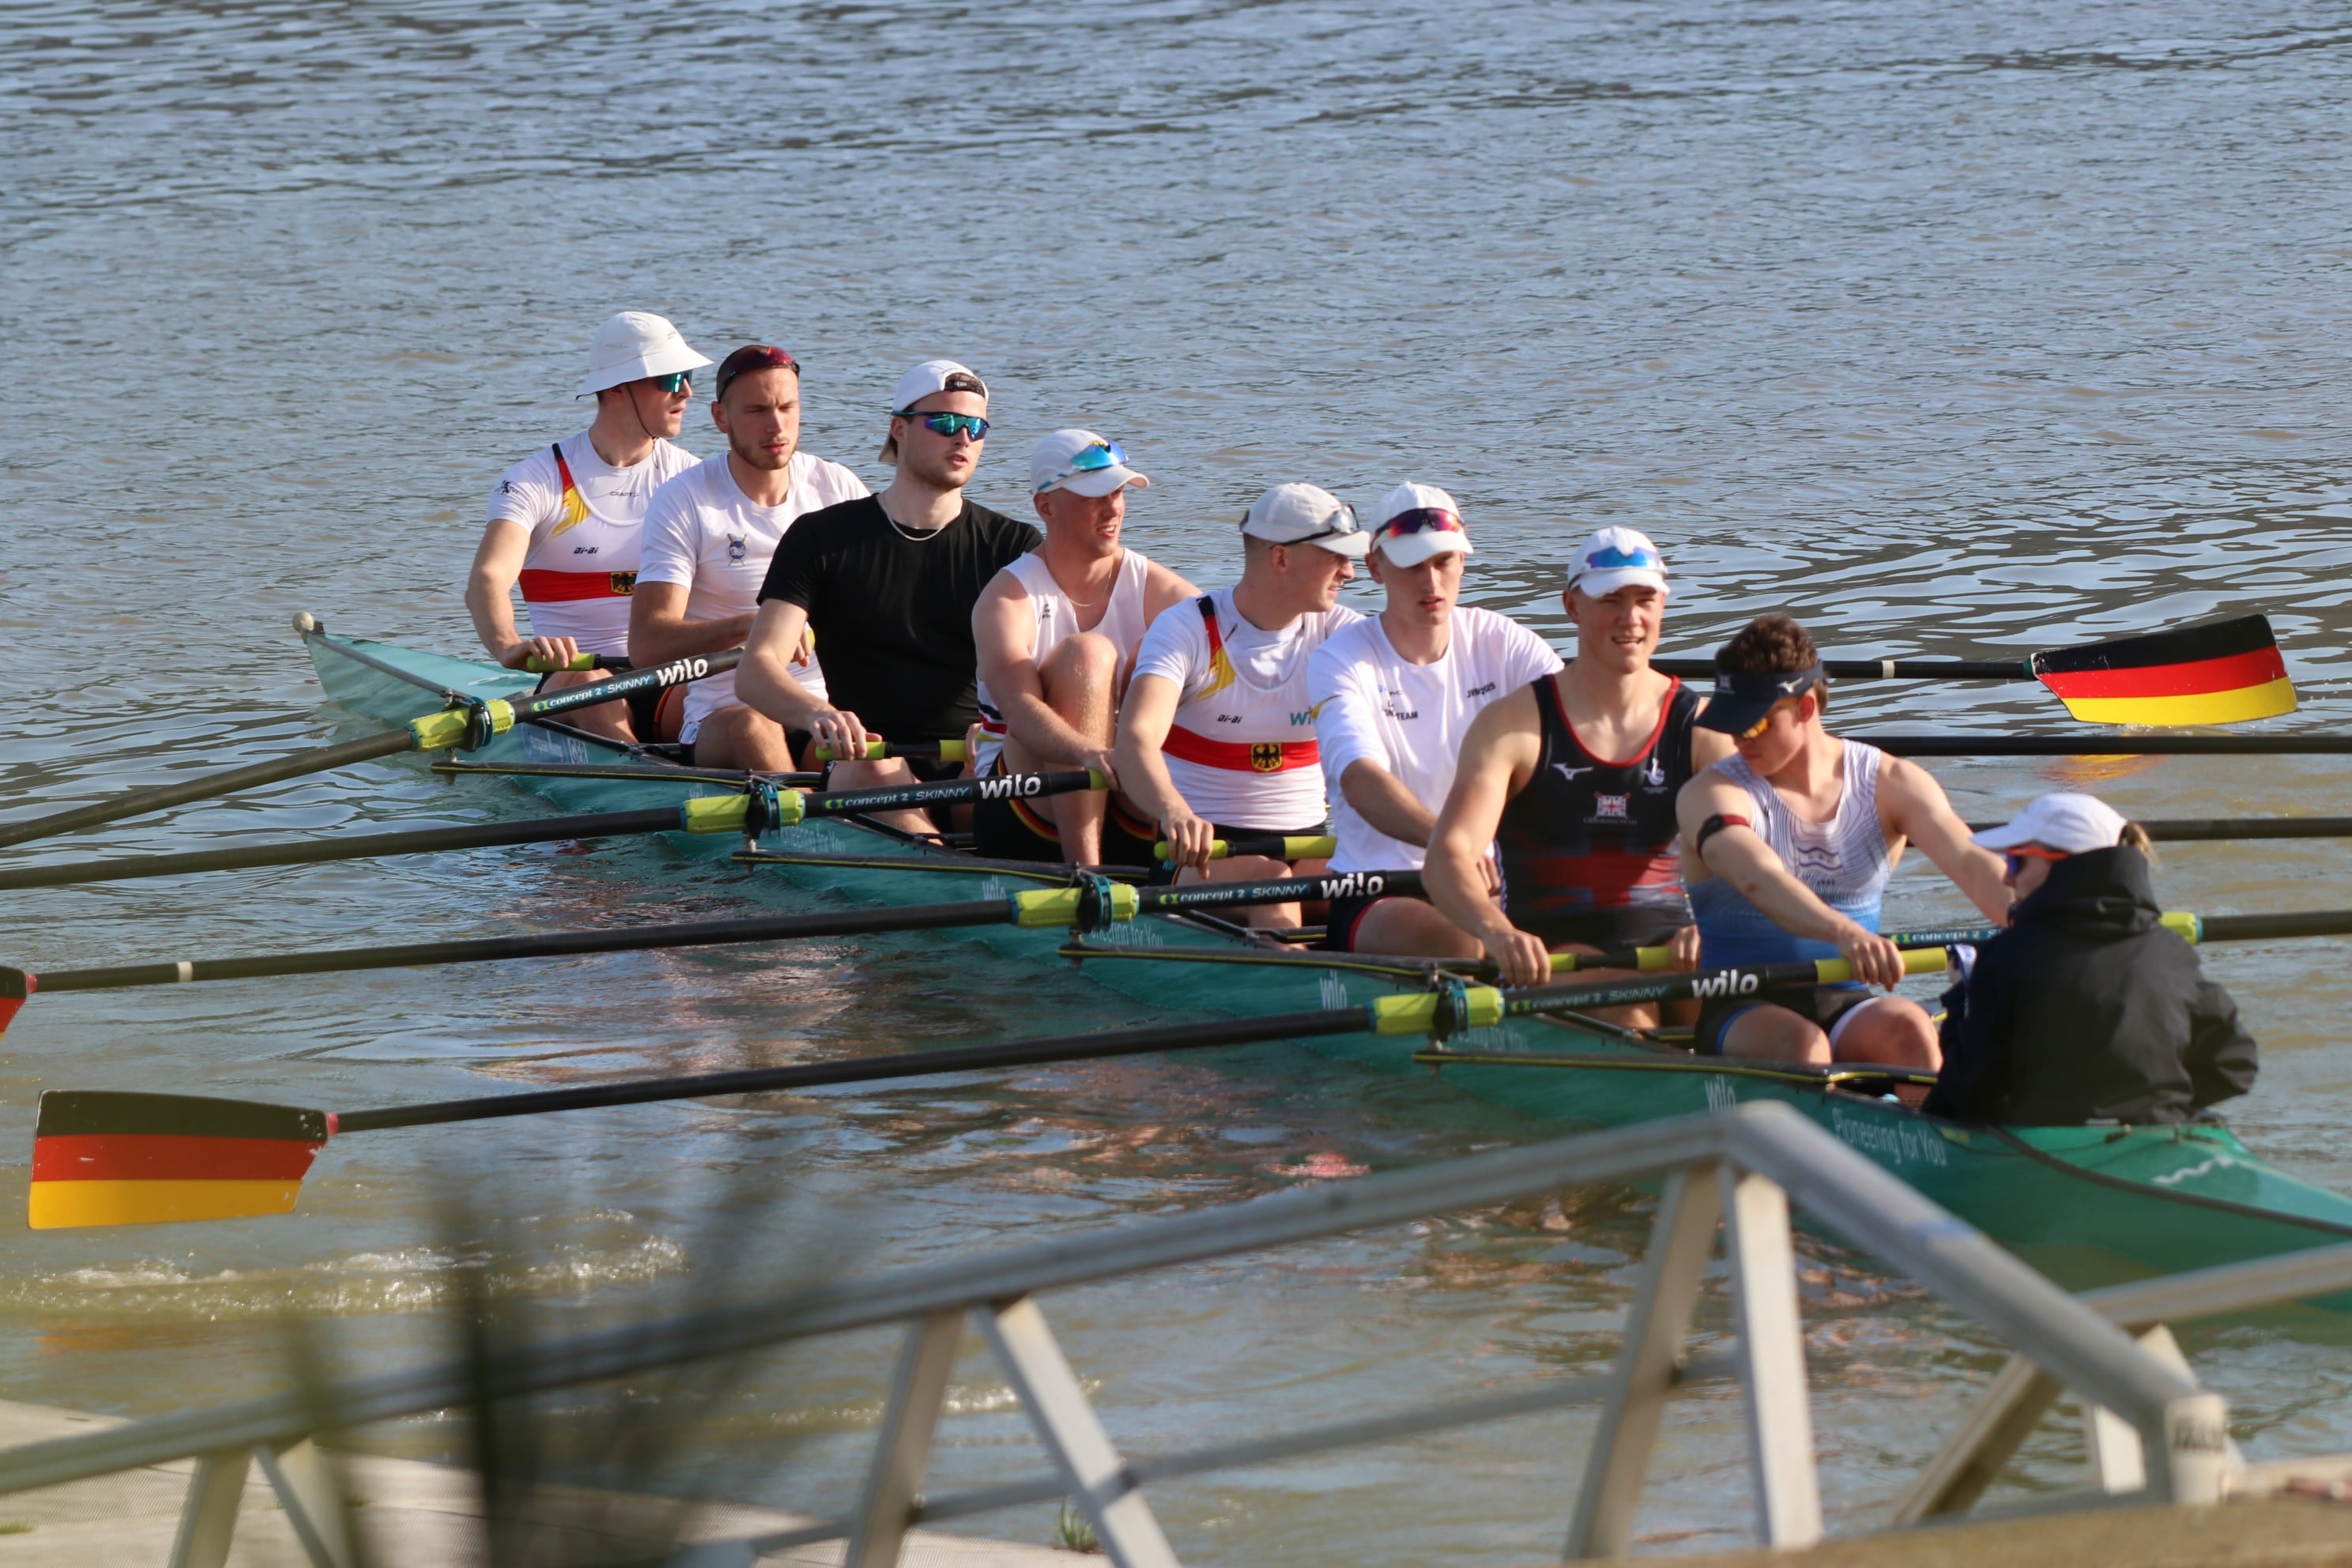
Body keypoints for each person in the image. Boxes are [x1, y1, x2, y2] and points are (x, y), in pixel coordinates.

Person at [1675, 614, 2013, 1067]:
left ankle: (1928, 1131)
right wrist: (1845, 933)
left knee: (1911, 1029)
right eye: (1731, 725)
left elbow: (1972, 862)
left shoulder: (1891, 782)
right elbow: (1760, 878)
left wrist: (2042, 920)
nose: (1739, 740)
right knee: (1802, 1046)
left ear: (1806, 709)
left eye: (1754, 725)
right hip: (1741, 1002)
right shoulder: (1710, 793)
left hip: (1844, 997)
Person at [1423, 529, 1732, 1021]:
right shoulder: (1513, 725)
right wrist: (1496, 933)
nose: (1630, 618)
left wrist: (1722, 920)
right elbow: (1447, 860)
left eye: (1644, 599)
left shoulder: (1700, 728)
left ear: (1663, 605)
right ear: (1572, 606)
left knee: (1747, 1014)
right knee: (1632, 1015)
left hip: (1671, 944)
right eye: (1611, 599)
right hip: (1551, 955)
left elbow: (1757, 854)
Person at [736, 360, 1039, 836]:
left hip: (976, 761)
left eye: (976, 428)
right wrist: (819, 714)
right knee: (876, 771)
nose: (963, 439)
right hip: (868, 757)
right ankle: (939, 865)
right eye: (945, 423)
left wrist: (1010, 727)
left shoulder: (1014, 545)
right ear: (898, 428)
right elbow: (757, 671)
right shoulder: (822, 537)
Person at [1309, 484, 1562, 955]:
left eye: (1444, 561)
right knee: (1469, 949)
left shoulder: (1501, 641)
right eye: (1412, 565)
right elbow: (1361, 781)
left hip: (1492, 881)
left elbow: (1578, 726)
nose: (1432, 583)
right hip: (1381, 889)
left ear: (1462, 561)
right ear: (1376, 567)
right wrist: (1453, 846)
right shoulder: (1341, 659)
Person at [1114, 483, 1368, 929]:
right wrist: (1174, 811)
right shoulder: (1187, 629)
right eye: (1335, 556)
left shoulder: (1343, 634)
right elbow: (1135, 740)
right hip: (1199, 855)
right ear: (1281, 558)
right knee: (1274, 889)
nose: (1349, 572)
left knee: (1374, 890)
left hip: (1306, 849)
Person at [1924, 793, 2256, 1125]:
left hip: (2044, 1162)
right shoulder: (2173, 954)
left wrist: (1960, 1001)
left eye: (2015, 860)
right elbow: (2234, 1064)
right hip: (2159, 1139)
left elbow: (1963, 1100)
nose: (2006, 878)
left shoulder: (2009, 955)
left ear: (2058, 863)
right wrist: (2163, 1106)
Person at [466, 311, 707, 741]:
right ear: (616, 387)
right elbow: (487, 578)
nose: (686, 392)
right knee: (591, 684)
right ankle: (646, 775)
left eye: (686, 376)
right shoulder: (537, 480)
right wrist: (508, 647)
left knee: (736, 700)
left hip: (671, 676)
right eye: (670, 379)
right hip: (573, 678)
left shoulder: (692, 478)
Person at [970, 430, 1198, 865]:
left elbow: (1236, 643)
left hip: (1132, 797)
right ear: (1045, 507)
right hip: (1025, 807)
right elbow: (1019, 708)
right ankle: (1087, 874)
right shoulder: (1007, 599)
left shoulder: (1159, 588)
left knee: (1170, 648)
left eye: (1117, 491)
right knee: (1088, 655)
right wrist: (1084, 751)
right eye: (1094, 496)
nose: (1113, 507)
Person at [633, 345, 868, 768]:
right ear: (720, 417)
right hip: (725, 714)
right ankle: (804, 830)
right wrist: (757, 625)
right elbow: (648, 643)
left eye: (786, 407)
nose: (776, 426)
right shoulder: (685, 499)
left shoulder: (837, 486)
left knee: (874, 737)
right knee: (753, 727)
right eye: (757, 411)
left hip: (824, 710)